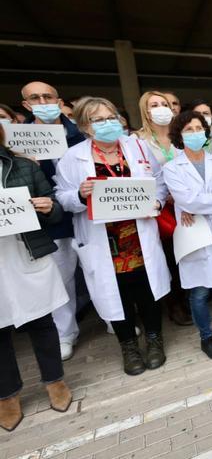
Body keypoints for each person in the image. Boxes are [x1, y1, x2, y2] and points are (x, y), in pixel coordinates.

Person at [56, 97, 172, 376]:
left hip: (138, 233)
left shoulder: (137, 147)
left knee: (146, 288)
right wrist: (79, 195)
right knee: (115, 293)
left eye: (111, 117)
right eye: (99, 120)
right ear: (85, 125)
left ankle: (154, 340)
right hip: (104, 239)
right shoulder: (74, 157)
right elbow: (61, 196)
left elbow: (158, 182)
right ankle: (128, 345)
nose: (108, 123)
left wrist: (156, 202)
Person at [0, 124, 73, 432]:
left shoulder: (23, 166)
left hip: (25, 251)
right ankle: (6, 395)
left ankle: (54, 381)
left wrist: (48, 206)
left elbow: (55, 209)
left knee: (42, 321)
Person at [163, 111, 212, 360]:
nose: (195, 133)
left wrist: (199, 206)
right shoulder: (172, 168)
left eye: (199, 128)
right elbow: (188, 199)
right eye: (189, 129)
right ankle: (206, 336)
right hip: (194, 235)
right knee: (199, 291)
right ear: (179, 135)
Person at [20, 82, 86, 361]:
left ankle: (112, 319)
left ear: (59, 101)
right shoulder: (18, 141)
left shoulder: (80, 133)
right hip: (50, 219)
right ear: (25, 104)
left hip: (87, 212)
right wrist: (24, 164)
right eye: (35, 98)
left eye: (48, 96)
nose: (43, 101)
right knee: (62, 277)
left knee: (98, 270)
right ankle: (66, 333)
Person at [133, 92, 190, 326]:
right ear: (145, 111)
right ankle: (174, 304)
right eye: (154, 105)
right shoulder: (136, 141)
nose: (160, 108)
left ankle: (189, 297)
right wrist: (165, 196)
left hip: (186, 205)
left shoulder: (183, 135)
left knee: (187, 253)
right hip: (160, 209)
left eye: (164, 104)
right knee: (167, 257)